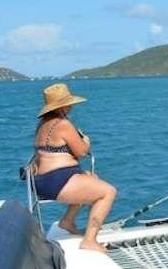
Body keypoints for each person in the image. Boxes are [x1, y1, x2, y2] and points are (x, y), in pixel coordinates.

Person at [33, 83, 117, 253]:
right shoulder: (63, 124)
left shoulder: (43, 124)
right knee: (108, 192)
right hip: (58, 180)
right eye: (69, 103)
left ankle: (67, 221)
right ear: (63, 106)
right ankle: (89, 240)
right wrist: (86, 141)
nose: (71, 106)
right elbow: (80, 152)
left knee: (92, 178)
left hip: (43, 180)